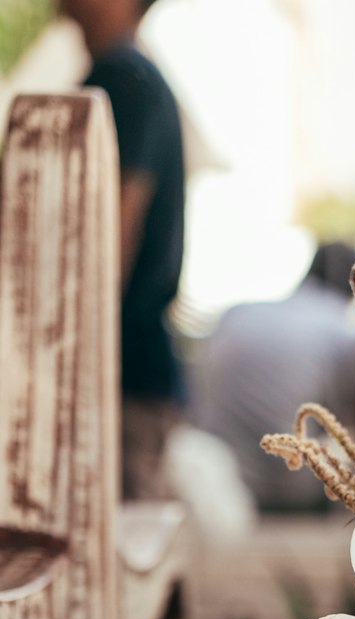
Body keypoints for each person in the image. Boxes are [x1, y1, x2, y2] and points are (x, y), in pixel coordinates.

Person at [62, 0, 186, 500]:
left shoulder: (122, 77)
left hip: (116, 378)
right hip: (132, 373)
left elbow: (107, 237)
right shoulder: (133, 75)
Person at [191, 241, 355, 511]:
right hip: (289, 487)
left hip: (218, 478)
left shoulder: (238, 314)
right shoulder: (339, 330)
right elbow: (348, 417)